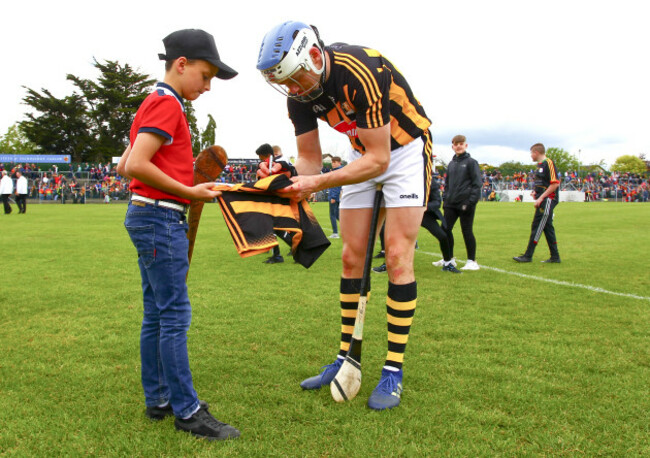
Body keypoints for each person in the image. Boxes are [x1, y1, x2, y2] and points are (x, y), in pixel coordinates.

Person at [256, 21, 433, 410]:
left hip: (402, 152)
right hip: (361, 154)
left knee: (398, 256)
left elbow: (380, 158)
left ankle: (393, 370)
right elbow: (309, 159)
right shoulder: (297, 96)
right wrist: (289, 181)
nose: (294, 89)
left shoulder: (360, 71)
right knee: (352, 258)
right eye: (286, 83)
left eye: (297, 78)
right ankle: (344, 357)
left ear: (315, 58)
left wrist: (316, 184)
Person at [116, 28, 240, 441]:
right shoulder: (167, 105)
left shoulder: (151, 103)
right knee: (173, 316)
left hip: (146, 215)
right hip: (160, 218)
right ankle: (187, 410)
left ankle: (159, 400)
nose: (207, 86)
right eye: (205, 76)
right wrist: (189, 190)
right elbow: (135, 165)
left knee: (156, 312)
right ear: (181, 64)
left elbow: (123, 165)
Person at [437, 135, 481, 271]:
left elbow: (477, 184)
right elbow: (447, 184)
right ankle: (448, 259)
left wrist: (470, 202)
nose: (458, 146)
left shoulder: (471, 162)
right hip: (451, 203)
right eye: (456, 144)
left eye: (461, 143)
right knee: (445, 229)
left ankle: (471, 261)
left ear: (466, 145)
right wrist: (445, 198)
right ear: (452, 146)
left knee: (466, 231)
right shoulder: (451, 164)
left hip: (465, 203)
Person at [513, 143, 561, 263]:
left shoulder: (548, 163)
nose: (530, 156)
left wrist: (541, 198)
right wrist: (536, 193)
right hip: (543, 199)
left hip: (548, 199)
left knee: (537, 225)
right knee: (547, 227)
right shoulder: (540, 166)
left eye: (531, 153)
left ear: (536, 152)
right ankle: (555, 257)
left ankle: (528, 255)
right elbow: (543, 183)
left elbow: (555, 183)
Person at [256, 143, 285, 264]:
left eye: (260, 156)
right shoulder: (277, 163)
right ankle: (294, 250)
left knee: (273, 227)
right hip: (276, 200)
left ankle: (277, 255)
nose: (260, 159)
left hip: (272, 200)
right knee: (276, 227)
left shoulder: (270, 164)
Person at [327, 156, 343, 238]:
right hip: (337, 196)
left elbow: (336, 185)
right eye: (332, 162)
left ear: (339, 163)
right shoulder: (337, 171)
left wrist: (333, 197)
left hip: (334, 196)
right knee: (337, 215)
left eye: (335, 162)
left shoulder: (337, 172)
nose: (333, 164)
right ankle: (348, 229)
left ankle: (335, 233)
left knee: (332, 215)